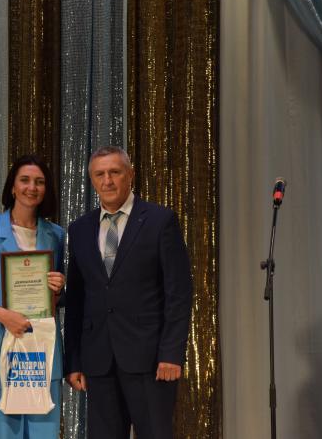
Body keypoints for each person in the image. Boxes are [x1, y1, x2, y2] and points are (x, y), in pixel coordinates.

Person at [64, 146, 192, 439]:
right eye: (99, 174)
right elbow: (77, 301)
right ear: (92, 180)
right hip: (98, 361)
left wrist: (171, 353)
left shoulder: (160, 220)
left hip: (150, 360)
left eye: (115, 172)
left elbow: (178, 293)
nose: (107, 180)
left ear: (130, 174)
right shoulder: (79, 229)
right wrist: (74, 361)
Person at [0, 155, 66, 438]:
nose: (32, 187)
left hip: (41, 357)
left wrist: (58, 289)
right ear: (12, 187)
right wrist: (5, 316)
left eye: (39, 182)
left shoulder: (56, 235)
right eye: (25, 180)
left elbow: (56, 300)